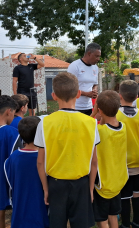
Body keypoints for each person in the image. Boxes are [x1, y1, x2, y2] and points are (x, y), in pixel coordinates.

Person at [34, 72, 100, 228]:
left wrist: (46, 188)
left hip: (56, 185)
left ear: (54, 95)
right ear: (78, 94)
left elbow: (40, 162)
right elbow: (94, 162)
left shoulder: (44, 123)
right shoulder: (91, 123)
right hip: (82, 184)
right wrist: (90, 189)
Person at [91, 90, 128, 228]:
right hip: (118, 181)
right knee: (113, 214)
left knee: (102, 219)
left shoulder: (99, 131)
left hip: (103, 184)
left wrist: (94, 114)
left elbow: (86, 124)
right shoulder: (123, 127)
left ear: (99, 109)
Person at [116, 80, 139, 228]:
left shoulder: (115, 114)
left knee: (124, 195)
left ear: (119, 96)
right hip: (136, 160)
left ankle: (125, 223)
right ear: (137, 96)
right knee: (137, 193)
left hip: (120, 162)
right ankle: (136, 222)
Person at [4, 116, 49, 228]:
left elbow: (9, 186)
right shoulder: (46, 159)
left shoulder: (12, 158)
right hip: (42, 214)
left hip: (19, 215)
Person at [0, 95, 23, 228]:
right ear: (9, 111)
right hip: (6, 179)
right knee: (6, 211)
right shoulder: (13, 133)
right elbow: (18, 159)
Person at [67, 42, 101, 115]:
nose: (98, 59)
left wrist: (94, 91)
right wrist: (86, 94)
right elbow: (69, 88)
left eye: (99, 56)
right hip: (75, 106)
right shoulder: (74, 66)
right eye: (96, 56)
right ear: (89, 53)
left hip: (88, 106)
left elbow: (95, 84)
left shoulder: (95, 68)